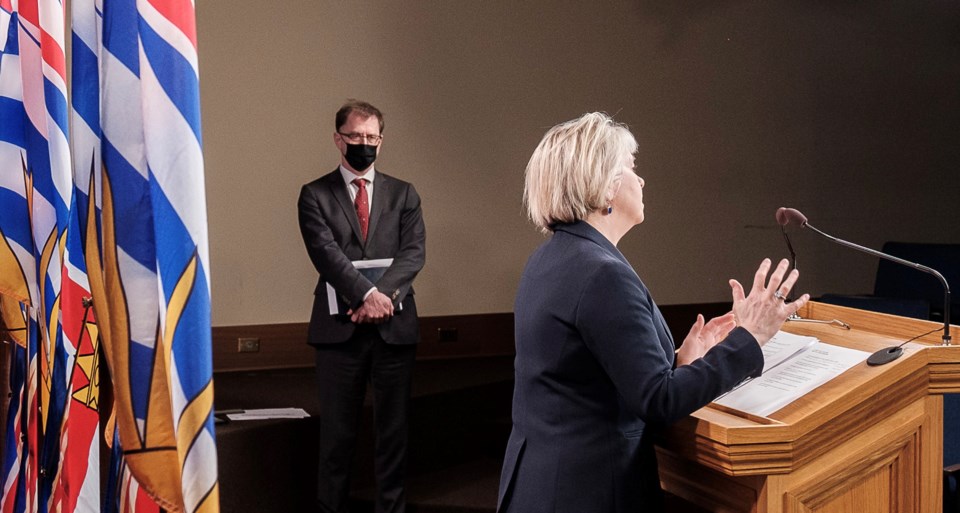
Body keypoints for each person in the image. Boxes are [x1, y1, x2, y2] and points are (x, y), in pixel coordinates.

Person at [496, 112, 809, 513]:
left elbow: (587, 376)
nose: (640, 179)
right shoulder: (601, 273)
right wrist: (751, 336)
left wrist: (682, 361)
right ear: (605, 186)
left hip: (542, 486)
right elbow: (657, 402)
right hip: (587, 492)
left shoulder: (551, 259)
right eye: (631, 167)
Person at [298, 99, 426, 513]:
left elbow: (414, 254)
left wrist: (382, 298)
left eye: (372, 137)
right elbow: (325, 252)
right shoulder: (314, 194)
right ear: (338, 139)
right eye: (355, 136)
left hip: (394, 331)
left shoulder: (404, 194)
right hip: (339, 332)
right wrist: (366, 296)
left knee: (394, 435)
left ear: (381, 141)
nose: (364, 144)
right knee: (337, 437)